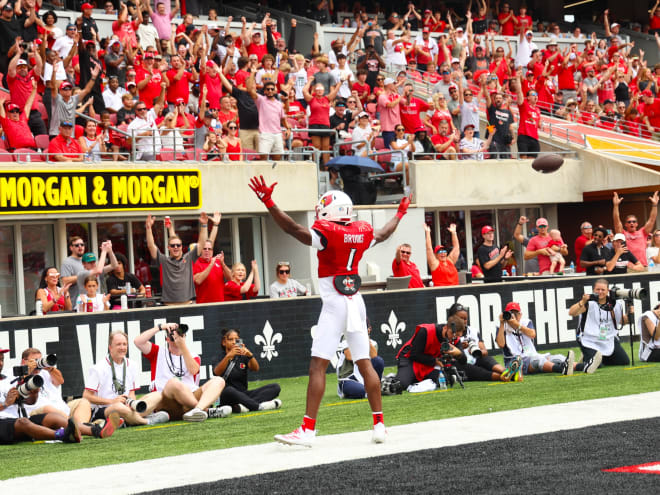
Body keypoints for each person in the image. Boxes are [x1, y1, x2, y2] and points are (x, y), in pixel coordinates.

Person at [249, 176, 410, 446]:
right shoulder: (361, 230)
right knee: (364, 362)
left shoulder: (328, 232)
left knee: (318, 365)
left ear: (331, 210)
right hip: (356, 300)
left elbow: (292, 229)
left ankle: (308, 430)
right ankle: (379, 424)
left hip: (335, 302)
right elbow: (384, 233)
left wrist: (269, 202)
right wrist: (401, 212)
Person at [134, 322, 226, 422]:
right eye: (173, 335)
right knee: (173, 383)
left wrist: (182, 346)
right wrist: (160, 327)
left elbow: (194, 370)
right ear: (167, 339)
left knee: (219, 380)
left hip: (190, 398)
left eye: (181, 334)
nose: (177, 336)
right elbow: (138, 342)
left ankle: (198, 410)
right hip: (166, 402)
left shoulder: (193, 356)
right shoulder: (158, 352)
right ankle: (206, 411)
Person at [83, 331, 167, 426]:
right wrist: (112, 401)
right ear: (110, 347)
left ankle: (125, 420)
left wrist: (131, 403)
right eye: (118, 344)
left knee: (157, 395)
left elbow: (131, 393)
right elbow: (87, 396)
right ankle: (146, 421)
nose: (122, 348)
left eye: (124, 344)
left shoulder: (133, 365)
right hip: (105, 409)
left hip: (126, 406)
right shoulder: (98, 368)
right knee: (119, 407)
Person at [496, 302, 578, 381]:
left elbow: (532, 334)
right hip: (515, 361)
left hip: (530, 355)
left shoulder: (525, 322)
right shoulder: (501, 326)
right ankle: (563, 369)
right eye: (511, 313)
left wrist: (517, 325)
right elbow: (501, 344)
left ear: (520, 314)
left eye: (516, 313)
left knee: (558, 358)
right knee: (538, 360)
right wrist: (502, 324)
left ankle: (584, 366)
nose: (513, 316)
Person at [212, 329, 281, 414]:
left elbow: (255, 368)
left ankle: (243, 406)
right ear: (224, 342)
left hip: (244, 395)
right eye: (230, 339)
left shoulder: (242, 356)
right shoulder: (219, 357)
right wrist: (229, 356)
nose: (234, 342)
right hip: (227, 396)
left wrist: (250, 355)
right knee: (229, 390)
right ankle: (257, 406)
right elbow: (216, 372)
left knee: (275, 387)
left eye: (236, 340)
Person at [145, 213, 208, 305]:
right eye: (172, 245)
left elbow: (202, 243)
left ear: (181, 247)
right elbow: (151, 246)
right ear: (168, 247)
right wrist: (148, 228)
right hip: (169, 306)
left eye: (178, 245)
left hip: (187, 304)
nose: (175, 247)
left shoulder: (189, 258)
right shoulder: (164, 260)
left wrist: (204, 225)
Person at [568, 278, 630, 369]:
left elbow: (622, 322)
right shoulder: (589, 303)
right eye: (598, 289)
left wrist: (630, 313)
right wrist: (582, 301)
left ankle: (593, 358)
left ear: (608, 291)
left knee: (624, 361)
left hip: (607, 338)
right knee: (597, 366)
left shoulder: (614, 303)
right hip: (589, 340)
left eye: (603, 290)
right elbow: (572, 312)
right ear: (593, 290)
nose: (600, 292)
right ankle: (576, 364)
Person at [395, 316, 467, 390]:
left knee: (440, 381)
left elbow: (464, 361)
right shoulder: (426, 331)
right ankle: (397, 376)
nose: (453, 337)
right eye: (452, 333)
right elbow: (414, 354)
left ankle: (410, 377)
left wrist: (459, 353)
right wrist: (435, 361)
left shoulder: (455, 339)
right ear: (445, 327)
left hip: (430, 364)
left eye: (457, 335)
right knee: (402, 384)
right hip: (410, 359)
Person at [448, 303, 510, 382]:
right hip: (461, 364)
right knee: (475, 370)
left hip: (474, 359)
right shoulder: (448, 332)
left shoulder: (473, 331)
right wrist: (460, 349)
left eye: (465, 318)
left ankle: (506, 371)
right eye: (461, 318)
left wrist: (477, 352)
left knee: (486, 359)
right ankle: (503, 377)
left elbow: (485, 352)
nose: (464, 321)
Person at [337, 318, 384, 398]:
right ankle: (372, 390)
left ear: (369, 329)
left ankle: (375, 387)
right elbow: (349, 356)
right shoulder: (347, 337)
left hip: (366, 376)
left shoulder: (373, 343)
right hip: (349, 377)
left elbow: (374, 357)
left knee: (378, 361)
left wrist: (366, 339)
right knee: (362, 391)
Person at [612, 191, 659, 267]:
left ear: (637, 224)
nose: (632, 223)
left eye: (634, 221)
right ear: (626, 224)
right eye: (629, 222)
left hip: (643, 266)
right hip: (629, 266)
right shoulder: (623, 234)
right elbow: (616, 221)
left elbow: (652, 220)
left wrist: (654, 205)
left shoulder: (643, 232)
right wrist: (616, 206)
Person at [61, 236, 86, 304]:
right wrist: (85, 274)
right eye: (77, 245)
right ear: (71, 248)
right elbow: (65, 281)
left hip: (91, 302)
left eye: (82, 245)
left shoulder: (88, 260)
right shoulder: (67, 262)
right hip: (76, 303)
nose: (80, 247)